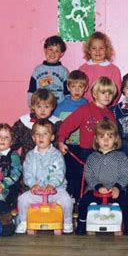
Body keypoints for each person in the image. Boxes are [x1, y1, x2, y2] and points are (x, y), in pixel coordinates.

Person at [15, 119, 74, 234]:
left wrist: (52, 184)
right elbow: (28, 173)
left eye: (45, 134)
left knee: (67, 200)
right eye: (38, 134)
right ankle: (23, 221)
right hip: (37, 191)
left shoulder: (56, 155)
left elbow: (59, 172)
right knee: (22, 199)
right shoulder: (30, 156)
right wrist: (33, 184)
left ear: (52, 137)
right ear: (33, 138)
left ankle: (67, 222)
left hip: (56, 190)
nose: (41, 137)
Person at [75, 118, 128, 236]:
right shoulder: (92, 157)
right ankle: (82, 223)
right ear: (96, 139)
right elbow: (89, 175)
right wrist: (98, 187)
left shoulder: (121, 157)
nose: (106, 141)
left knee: (126, 202)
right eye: (102, 137)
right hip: (95, 190)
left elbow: (125, 173)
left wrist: (117, 187)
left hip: (115, 190)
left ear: (116, 139)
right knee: (84, 202)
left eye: (110, 137)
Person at [57, 76, 117, 164]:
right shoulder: (84, 110)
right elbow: (67, 124)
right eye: (103, 92)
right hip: (86, 151)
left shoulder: (110, 115)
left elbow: (115, 135)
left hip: (104, 152)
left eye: (110, 93)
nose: (107, 96)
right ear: (95, 94)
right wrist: (61, 141)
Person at [53, 70, 89, 201]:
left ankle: (79, 199)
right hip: (66, 146)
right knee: (66, 172)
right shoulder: (60, 106)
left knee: (81, 173)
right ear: (68, 87)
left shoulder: (87, 105)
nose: (77, 90)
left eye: (80, 86)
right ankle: (68, 199)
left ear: (86, 88)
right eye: (73, 86)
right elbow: (55, 126)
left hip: (82, 146)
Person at [12, 88, 61, 163]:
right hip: (28, 163)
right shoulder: (24, 122)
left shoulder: (57, 123)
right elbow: (12, 140)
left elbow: (60, 144)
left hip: (49, 163)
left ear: (52, 107)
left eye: (46, 107)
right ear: (33, 106)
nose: (42, 110)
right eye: (39, 106)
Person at [79, 31, 122, 102]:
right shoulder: (82, 69)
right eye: (94, 48)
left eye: (101, 48)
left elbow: (116, 92)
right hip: (85, 107)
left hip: (106, 108)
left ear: (107, 50)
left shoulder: (114, 70)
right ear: (89, 50)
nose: (97, 51)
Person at [27, 35, 69, 106]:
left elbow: (68, 93)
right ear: (45, 50)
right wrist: (32, 107)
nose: (53, 53)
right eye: (50, 49)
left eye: (57, 51)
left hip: (59, 109)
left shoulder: (64, 71)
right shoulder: (38, 70)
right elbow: (31, 91)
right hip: (41, 109)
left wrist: (66, 108)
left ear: (61, 54)